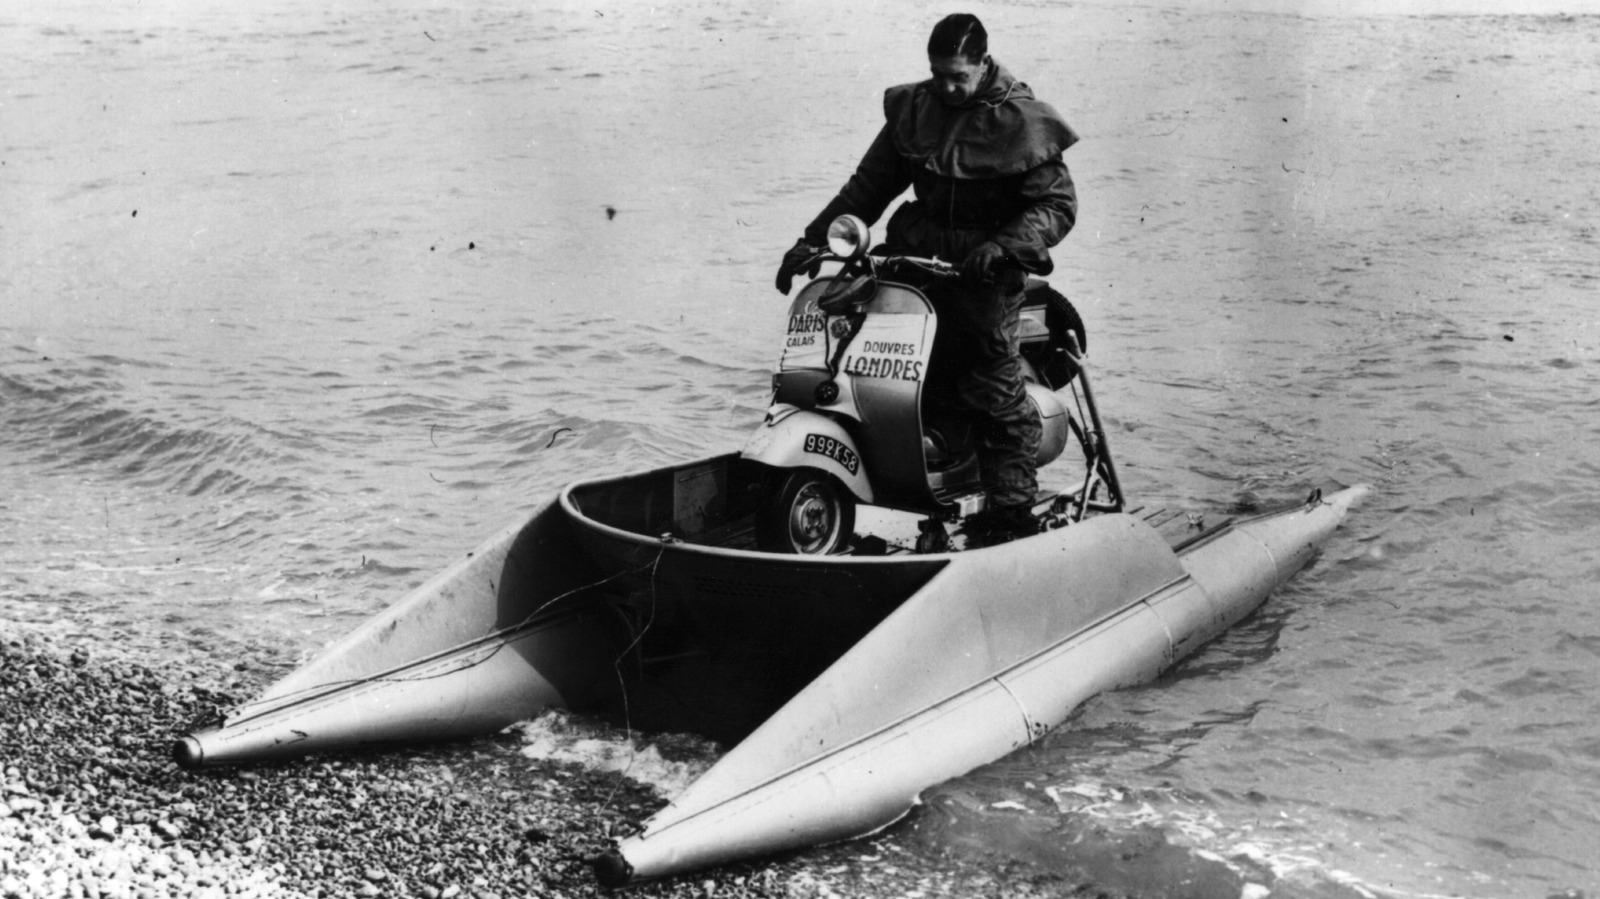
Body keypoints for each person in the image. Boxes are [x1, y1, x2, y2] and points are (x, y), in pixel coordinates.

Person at [774, 13, 1079, 543]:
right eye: (938, 74)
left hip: (985, 268)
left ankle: (1009, 514)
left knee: (990, 380)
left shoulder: (1020, 120)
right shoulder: (917, 107)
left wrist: (1005, 246)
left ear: (984, 64)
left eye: (958, 76)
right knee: (878, 361)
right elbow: (868, 186)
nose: (947, 86)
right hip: (916, 256)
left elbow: (1056, 205)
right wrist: (815, 239)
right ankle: (908, 473)